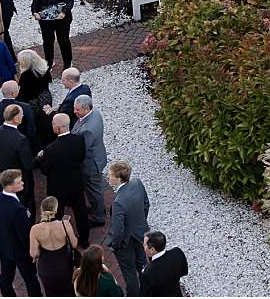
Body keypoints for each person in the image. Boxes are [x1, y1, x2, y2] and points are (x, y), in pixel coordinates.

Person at [37, 111, 90, 246]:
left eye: (53, 123)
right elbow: (81, 157)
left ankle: (59, 237)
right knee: (80, 210)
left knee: (57, 212)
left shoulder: (51, 149)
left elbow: (45, 169)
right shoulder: (79, 140)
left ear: (58, 128)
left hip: (57, 186)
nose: (52, 125)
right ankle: (84, 239)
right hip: (75, 182)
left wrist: (40, 158)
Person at [0, 168, 42, 298]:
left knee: (6, 276)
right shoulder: (18, 210)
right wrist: (32, 251)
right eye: (19, 182)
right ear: (10, 186)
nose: (23, 183)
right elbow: (25, 235)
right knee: (30, 278)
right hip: (19, 251)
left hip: (2, 245)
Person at [105, 161, 150, 296]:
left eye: (110, 175)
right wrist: (140, 223)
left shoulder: (118, 202)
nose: (108, 177)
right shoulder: (137, 183)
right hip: (140, 234)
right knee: (143, 265)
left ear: (119, 179)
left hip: (125, 242)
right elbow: (146, 205)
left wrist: (115, 245)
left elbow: (118, 230)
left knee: (129, 274)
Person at [0, 103, 36, 214]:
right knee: (24, 206)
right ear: (15, 118)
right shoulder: (20, 139)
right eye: (21, 115)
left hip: (0, 177)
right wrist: (38, 157)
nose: (23, 117)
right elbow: (28, 164)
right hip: (17, 181)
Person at [72, 96, 108, 230]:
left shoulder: (88, 130)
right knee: (95, 189)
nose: (74, 112)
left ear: (87, 108)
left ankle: (98, 217)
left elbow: (81, 149)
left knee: (94, 190)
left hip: (91, 164)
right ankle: (98, 208)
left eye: (77, 110)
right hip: (97, 156)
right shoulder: (95, 113)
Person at [31, 196, 80, 297]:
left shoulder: (35, 229)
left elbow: (34, 253)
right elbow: (74, 244)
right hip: (65, 265)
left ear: (42, 209)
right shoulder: (64, 224)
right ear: (56, 210)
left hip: (46, 268)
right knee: (69, 291)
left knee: (51, 293)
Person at [32, 0, 76, 73]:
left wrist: (64, 12)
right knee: (47, 41)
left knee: (63, 40)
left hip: (61, 19)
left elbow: (70, 1)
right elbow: (35, 2)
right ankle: (49, 61)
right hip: (46, 20)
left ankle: (67, 62)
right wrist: (34, 12)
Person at [0, 79, 36, 145]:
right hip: (19, 146)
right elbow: (31, 130)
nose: (19, 89)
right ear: (12, 93)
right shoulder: (26, 107)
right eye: (18, 88)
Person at [139, 230, 189, 298]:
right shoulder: (177, 253)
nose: (143, 245)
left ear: (152, 250)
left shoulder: (148, 273)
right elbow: (184, 272)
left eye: (145, 245)